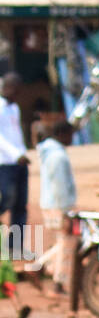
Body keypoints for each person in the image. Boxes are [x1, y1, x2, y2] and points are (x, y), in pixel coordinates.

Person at [35, 120, 77, 292]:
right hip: (58, 206)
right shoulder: (57, 156)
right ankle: (55, 279)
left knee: (62, 243)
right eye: (70, 135)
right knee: (66, 243)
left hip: (49, 204)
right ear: (62, 135)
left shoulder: (49, 153)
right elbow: (59, 186)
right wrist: (66, 212)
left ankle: (43, 268)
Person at [0, 71, 30, 259]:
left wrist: (23, 153)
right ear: (9, 88)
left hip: (19, 163)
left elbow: (16, 134)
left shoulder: (14, 108)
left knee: (20, 206)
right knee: (6, 201)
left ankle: (15, 248)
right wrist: (16, 154)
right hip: (5, 163)